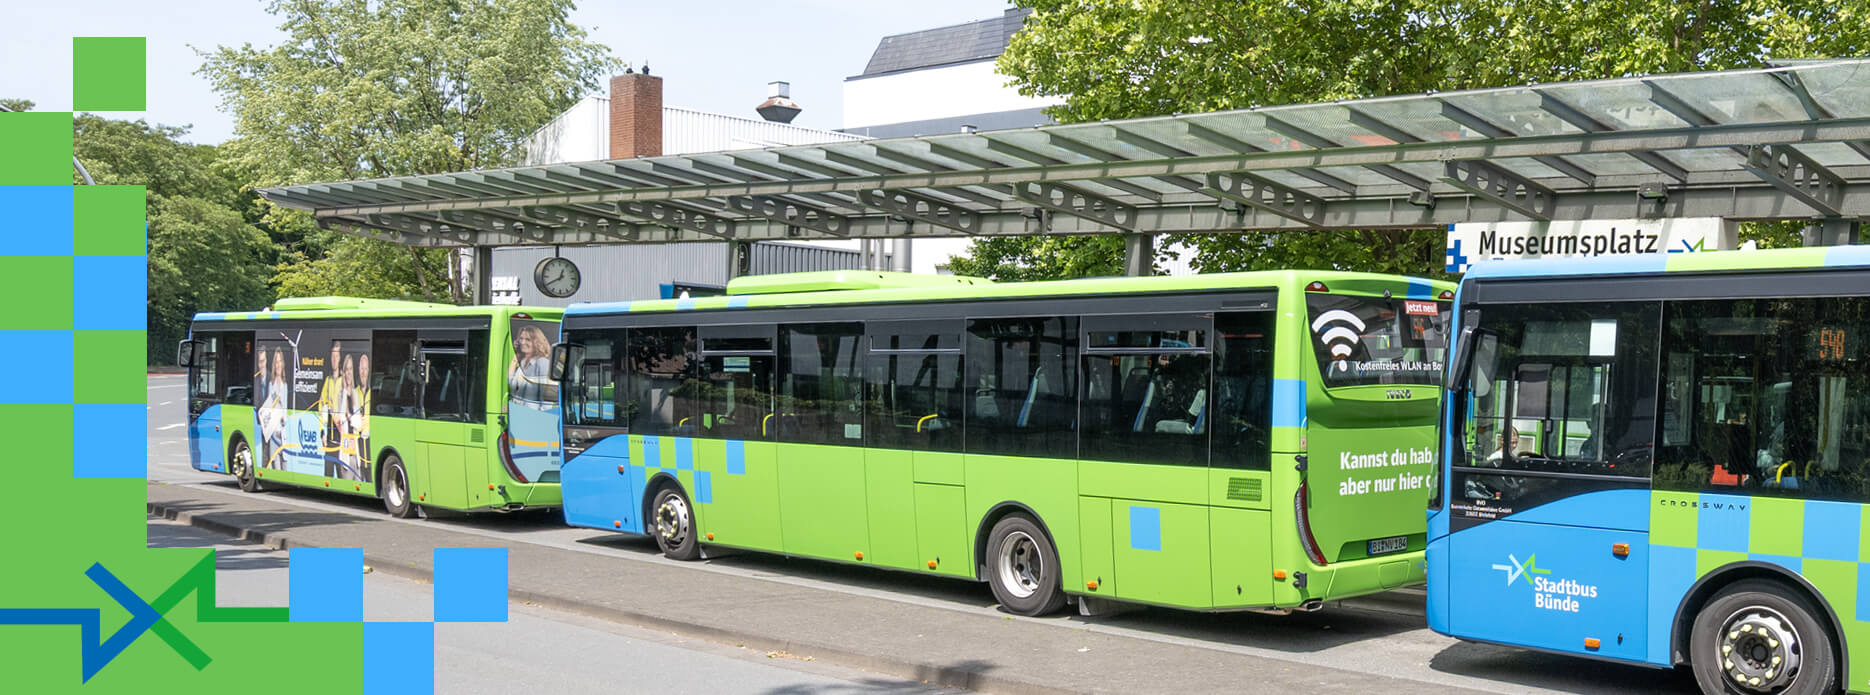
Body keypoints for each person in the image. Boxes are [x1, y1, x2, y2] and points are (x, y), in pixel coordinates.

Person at [508, 325, 558, 407]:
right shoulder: (522, 363)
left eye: (528, 339)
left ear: (537, 342)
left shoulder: (543, 363)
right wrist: (515, 359)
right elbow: (510, 386)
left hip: (533, 416)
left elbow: (547, 400)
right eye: (521, 338)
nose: (523, 342)